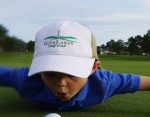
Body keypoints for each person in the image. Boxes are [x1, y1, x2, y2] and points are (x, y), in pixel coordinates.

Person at [0, 20, 150, 110]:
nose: (61, 84)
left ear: (93, 68)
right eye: (50, 73)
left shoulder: (103, 83)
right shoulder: (25, 80)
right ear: (37, 69)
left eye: (72, 72)